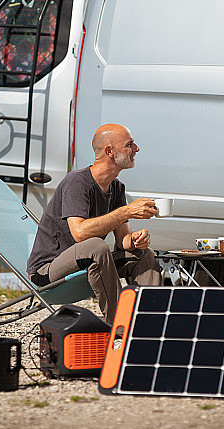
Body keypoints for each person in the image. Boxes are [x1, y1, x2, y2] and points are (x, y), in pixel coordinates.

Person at [27, 123, 162, 323]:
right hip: (47, 272)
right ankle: (120, 324)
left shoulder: (116, 188)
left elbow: (122, 240)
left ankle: (152, 322)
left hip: (87, 262)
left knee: (144, 254)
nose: (137, 149)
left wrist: (135, 240)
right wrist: (127, 210)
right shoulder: (77, 182)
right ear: (110, 151)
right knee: (96, 246)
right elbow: (79, 233)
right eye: (129, 144)